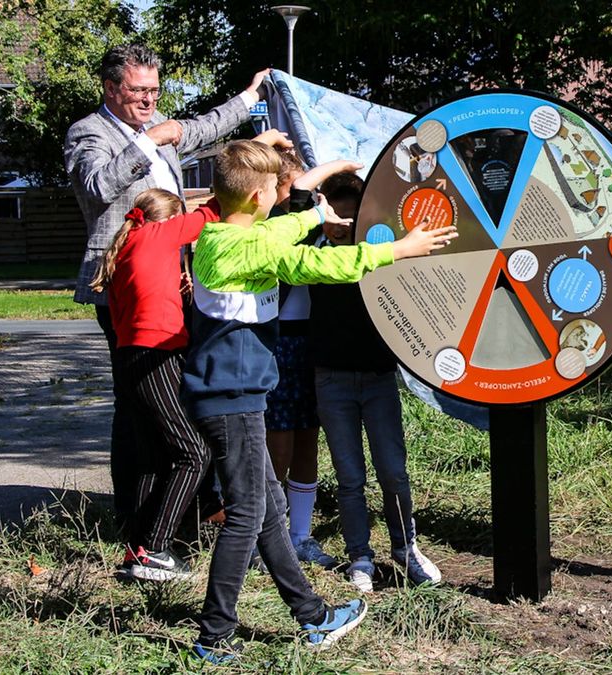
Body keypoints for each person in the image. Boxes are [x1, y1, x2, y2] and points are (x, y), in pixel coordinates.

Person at [182, 140, 456, 660]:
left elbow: (283, 226)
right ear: (261, 195)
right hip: (230, 399)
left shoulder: (225, 233)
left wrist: (316, 201)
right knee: (246, 514)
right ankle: (213, 638)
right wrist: (398, 249)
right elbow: (316, 265)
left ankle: (312, 616)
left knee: (267, 511)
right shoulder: (245, 249)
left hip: (237, 395)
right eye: (278, 193)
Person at [64, 42, 269, 527]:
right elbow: (96, 185)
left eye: (155, 90)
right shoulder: (88, 132)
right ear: (111, 88)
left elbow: (203, 128)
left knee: (173, 399)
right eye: (139, 91)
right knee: (136, 401)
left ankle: (179, 505)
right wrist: (148, 142)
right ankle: (135, 514)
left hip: (175, 285)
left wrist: (249, 97)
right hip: (123, 287)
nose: (150, 100)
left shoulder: (158, 125)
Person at [309, 172, 442, 593]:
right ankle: (360, 557)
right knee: (350, 477)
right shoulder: (312, 255)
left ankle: (405, 548)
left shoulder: (383, 251)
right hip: (331, 379)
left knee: (393, 471)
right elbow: (293, 205)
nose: (347, 231)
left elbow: (422, 227)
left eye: (355, 222)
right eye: (339, 221)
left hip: (379, 379)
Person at [88, 188, 222, 581]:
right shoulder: (156, 234)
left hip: (132, 357)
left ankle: (137, 544)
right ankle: (154, 549)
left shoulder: (130, 242)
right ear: (169, 219)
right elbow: (212, 213)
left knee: (152, 456)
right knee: (194, 453)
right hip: (155, 356)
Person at [264, 152, 355, 569]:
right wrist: (338, 164)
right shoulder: (273, 226)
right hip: (278, 342)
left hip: (312, 342)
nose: (310, 193)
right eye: (297, 186)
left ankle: (300, 535)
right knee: (277, 443)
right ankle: (272, 538)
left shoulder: (318, 218)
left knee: (307, 439)